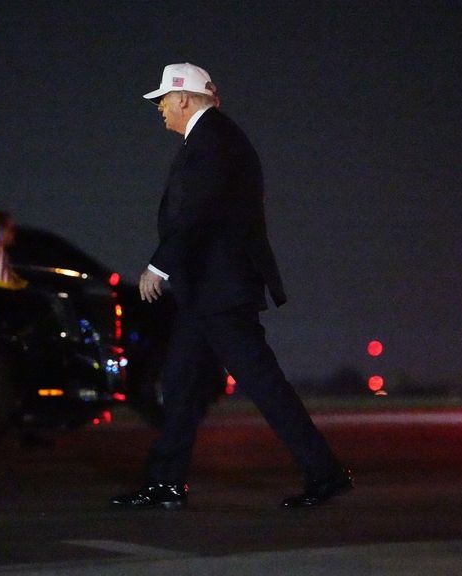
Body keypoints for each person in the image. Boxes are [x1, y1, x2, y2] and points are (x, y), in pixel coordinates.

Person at [111, 63, 353, 510]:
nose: (160, 108)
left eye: (163, 99)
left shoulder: (214, 141)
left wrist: (158, 267)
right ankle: (166, 482)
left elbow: (198, 214)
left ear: (184, 99)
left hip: (219, 292)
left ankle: (326, 473)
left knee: (262, 384)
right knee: (181, 383)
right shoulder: (211, 139)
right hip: (206, 292)